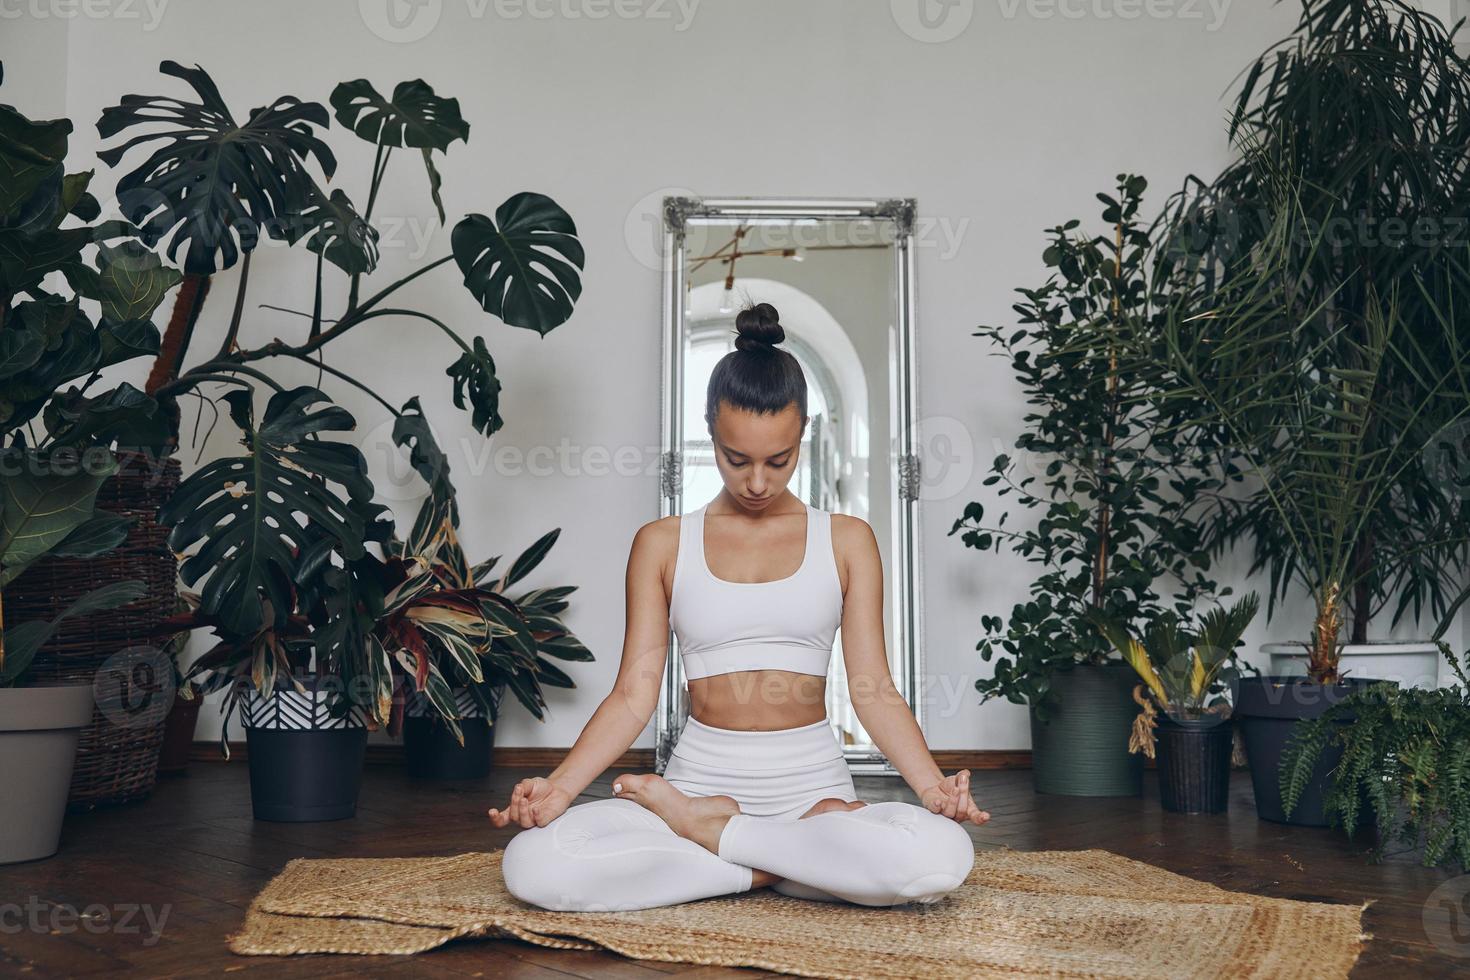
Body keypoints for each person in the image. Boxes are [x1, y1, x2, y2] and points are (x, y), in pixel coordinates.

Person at [488, 301, 988, 912]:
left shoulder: (848, 540)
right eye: (735, 458)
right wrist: (559, 789)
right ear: (710, 434)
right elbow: (632, 693)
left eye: (778, 460)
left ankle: (719, 840)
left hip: (814, 793)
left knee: (942, 857)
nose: (757, 481)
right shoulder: (662, 544)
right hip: (696, 781)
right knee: (535, 867)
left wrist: (934, 789)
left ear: (802, 433)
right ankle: (792, 865)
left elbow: (873, 687)